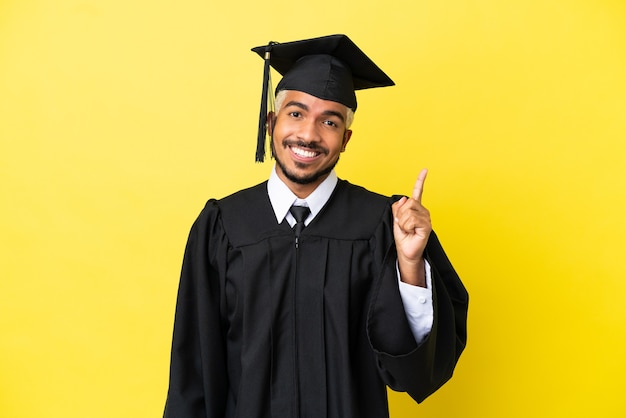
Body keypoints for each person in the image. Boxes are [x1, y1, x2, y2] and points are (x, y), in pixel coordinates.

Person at [163, 34, 468, 418]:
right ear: (271, 121)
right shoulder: (223, 225)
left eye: (329, 121)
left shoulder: (383, 225)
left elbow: (414, 375)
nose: (308, 135)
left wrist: (408, 265)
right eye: (296, 113)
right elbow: (194, 371)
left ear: (346, 139)